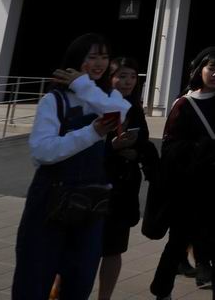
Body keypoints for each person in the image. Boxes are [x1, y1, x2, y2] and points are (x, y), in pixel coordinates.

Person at [12, 33, 131, 300]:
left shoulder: (107, 97)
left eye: (104, 57)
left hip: (90, 201)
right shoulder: (54, 101)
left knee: (80, 278)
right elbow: (42, 151)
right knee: (35, 276)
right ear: (77, 59)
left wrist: (83, 85)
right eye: (92, 57)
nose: (100, 63)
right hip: (50, 199)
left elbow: (119, 113)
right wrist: (91, 132)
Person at [149, 47, 215, 300]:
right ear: (199, 70)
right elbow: (170, 148)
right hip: (190, 185)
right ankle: (162, 291)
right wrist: (208, 150)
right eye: (211, 68)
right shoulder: (184, 104)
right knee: (178, 242)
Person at [97, 57, 153, 300]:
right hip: (96, 186)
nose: (128, 81)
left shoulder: (134, 107)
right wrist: (111, 148)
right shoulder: (98, 104)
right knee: (84, 246)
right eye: (121, 76)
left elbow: (145, 139)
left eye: (132, 76)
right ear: (109, 78)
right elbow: (83, 144)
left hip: (123, 188)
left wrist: (136, 151)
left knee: (114, 249)